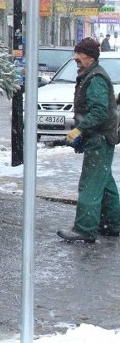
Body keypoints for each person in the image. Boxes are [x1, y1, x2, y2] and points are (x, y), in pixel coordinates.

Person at [57, 37, 120, 243]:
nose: (75, 57)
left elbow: (100, 112)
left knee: (90, 184)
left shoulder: (96, 79)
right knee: (105, 182)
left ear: (89, 56)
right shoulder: (91, 75)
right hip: (101, 137)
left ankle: (84, 229)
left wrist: (79, 131)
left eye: (79, 53)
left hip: (99, 138)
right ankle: (112, 224)